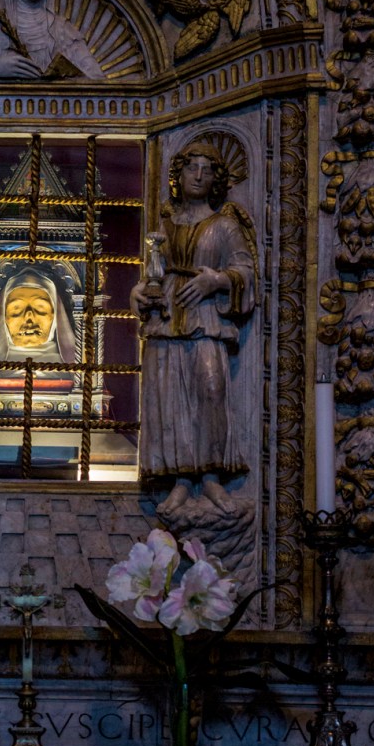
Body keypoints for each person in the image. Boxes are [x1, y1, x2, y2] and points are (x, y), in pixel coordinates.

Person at [131, 141, 256, 513]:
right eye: (191, 168)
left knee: (211, 390)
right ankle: (181, 480)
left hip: (206, 320)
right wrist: (140, 291)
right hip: (168, 320)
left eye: (207, 170)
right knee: (171, 399)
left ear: (216, 179)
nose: (198, 176)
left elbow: (246, 271)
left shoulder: (225, 226)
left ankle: (212, 478)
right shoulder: (165, 226)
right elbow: (153, 274)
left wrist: (215, 281)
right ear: (179, 175)